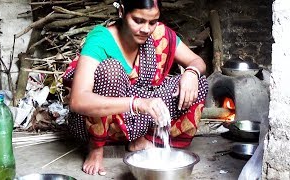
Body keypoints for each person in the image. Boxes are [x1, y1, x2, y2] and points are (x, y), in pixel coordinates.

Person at [65, 0, 209, 176]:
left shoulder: (159, 34)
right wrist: (136, 103)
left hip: (141, 117)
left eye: (152, 21)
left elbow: (197, 61)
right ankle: (96, 149)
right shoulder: (101, 39)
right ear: (122, 13)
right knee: (111, 70)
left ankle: (143, 140)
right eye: (138, 21)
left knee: (199, 83)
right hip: (101, 119)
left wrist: (192, 73)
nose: (146, 29)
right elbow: (78, 100)